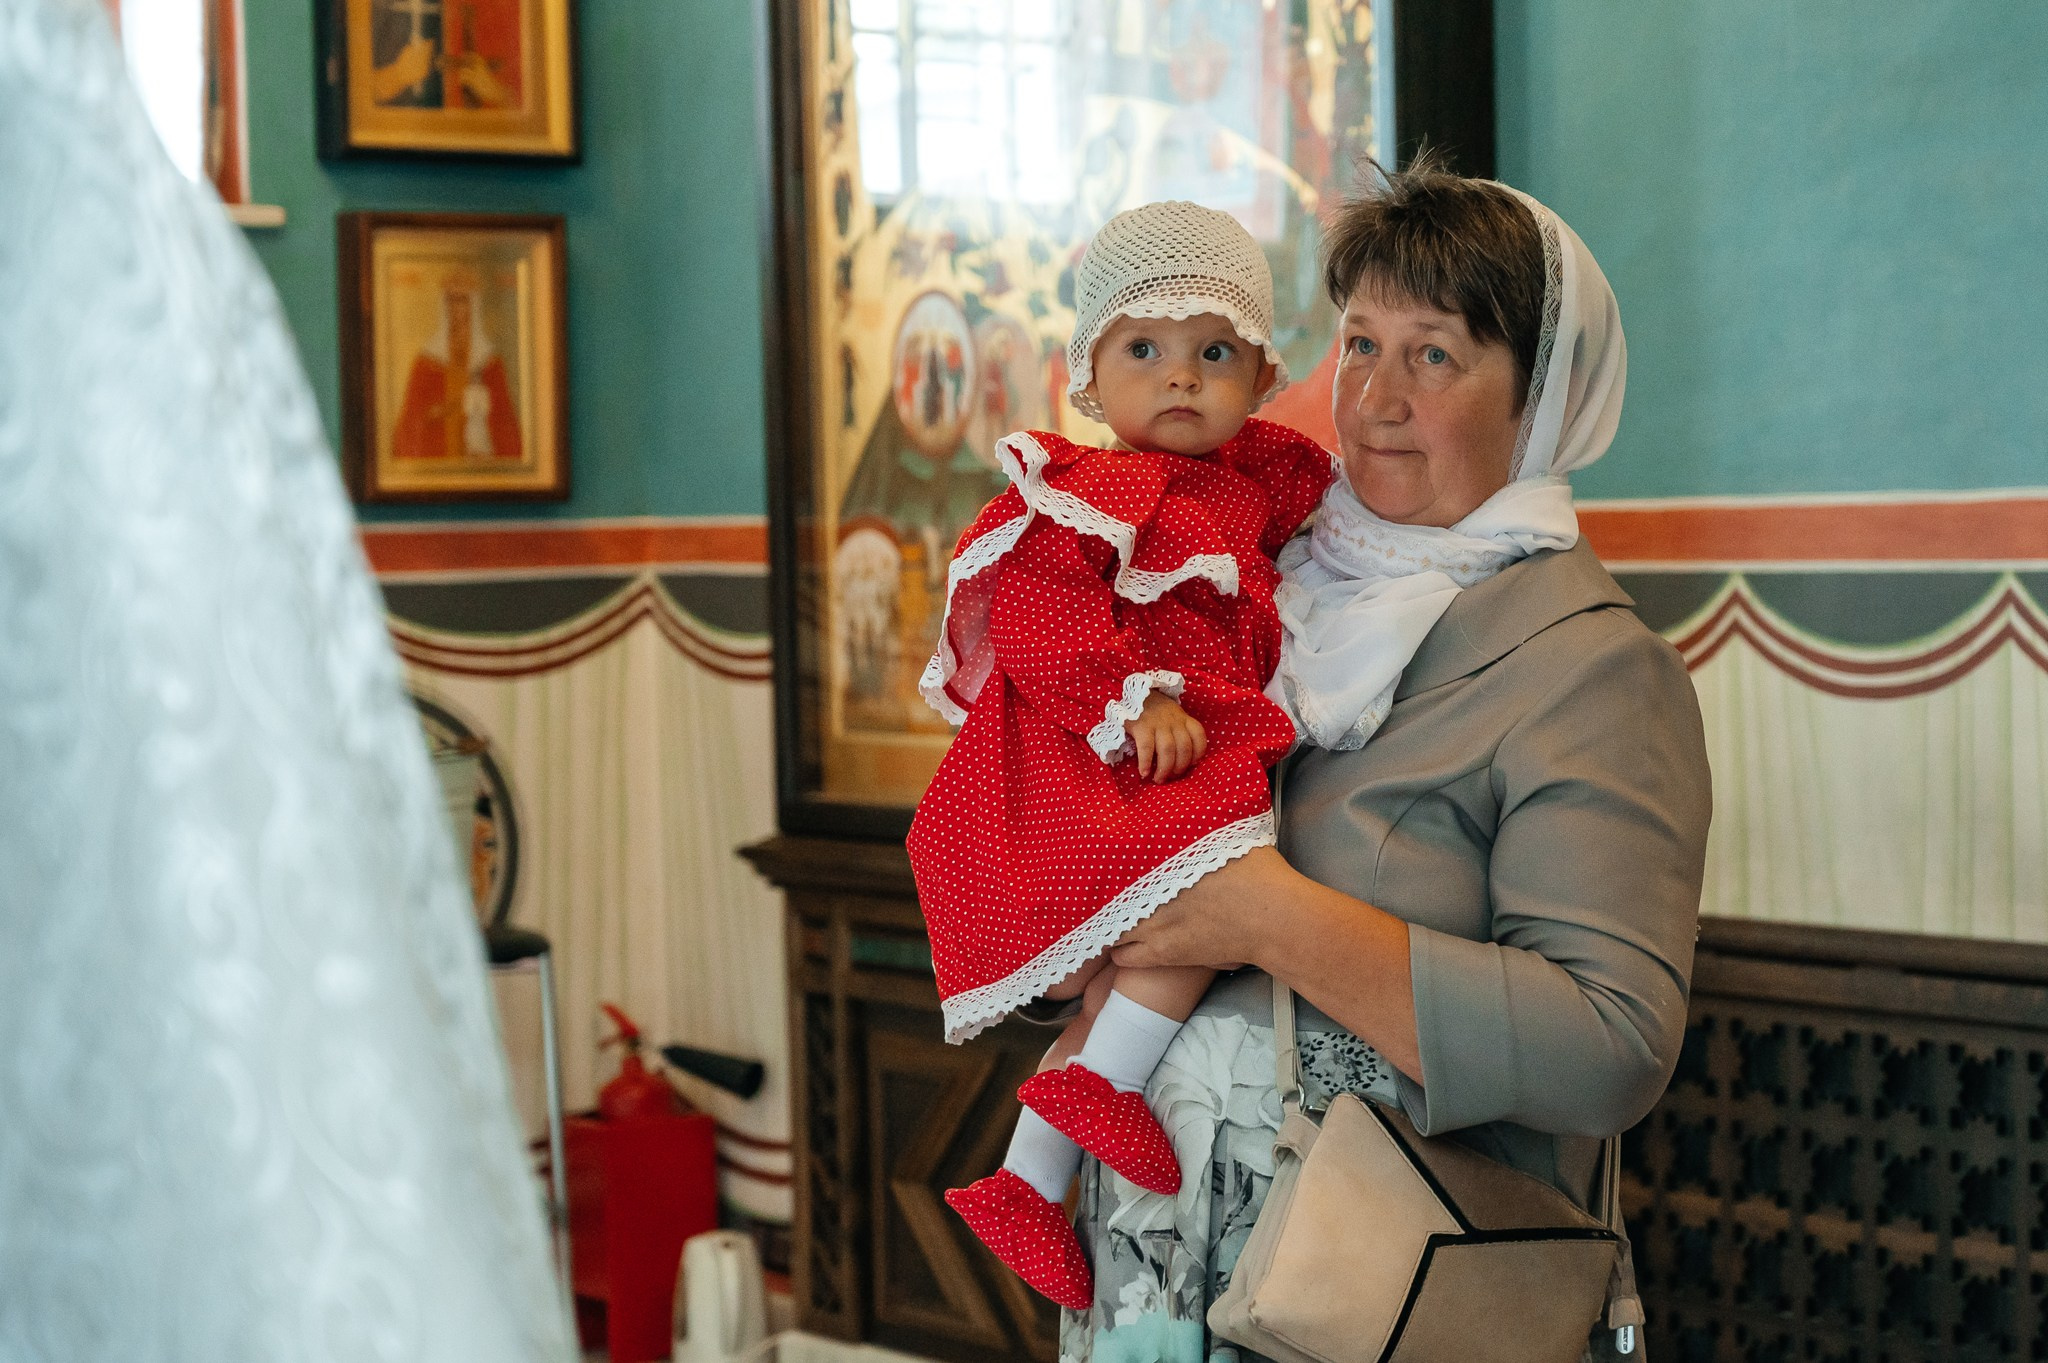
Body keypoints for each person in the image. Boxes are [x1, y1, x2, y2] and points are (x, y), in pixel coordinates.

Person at [1056, 159, 1712, 1361]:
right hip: (1160, 1271)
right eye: (1359, 344)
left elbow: (1608, 1046)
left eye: (1436, 355)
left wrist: (1261, 917)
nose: (1373, 401)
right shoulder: (1257, 580)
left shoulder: (1594, 669)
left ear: (1543, 398)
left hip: (1382, 1295)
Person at [907, 201, 1333, 1309]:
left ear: (1256, 371)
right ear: (1090, 372)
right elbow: (1045, 624)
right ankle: (1096, 1092)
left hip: (1181, 744)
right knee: (1186, 918)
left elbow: (1317, 507)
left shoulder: (1246, 483)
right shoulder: (1092, 492)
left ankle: (1022, 1181)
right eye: (1144, 349)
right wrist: (1128, 701)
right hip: (1114, 763)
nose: (1180, 378)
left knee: (1124, 978)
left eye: (1213, 353)